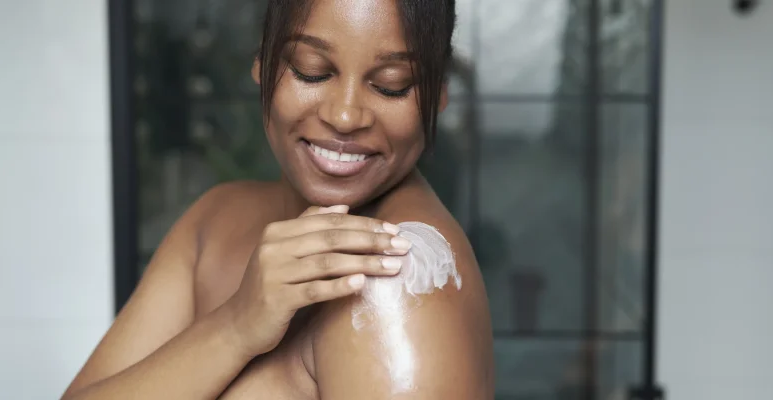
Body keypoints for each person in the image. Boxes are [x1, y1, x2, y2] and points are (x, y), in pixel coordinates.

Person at [61, 0, 494, 398]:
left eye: (391, 85)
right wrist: (235, 327)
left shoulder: (398, 282)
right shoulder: (215, 218)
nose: (344, 116)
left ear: (438, 94)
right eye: (311, 70)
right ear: (262, 60)